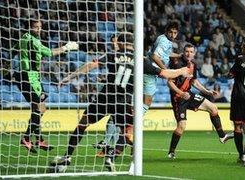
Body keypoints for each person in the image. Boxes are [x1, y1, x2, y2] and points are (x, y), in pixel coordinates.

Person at [50, 33, 191, 172]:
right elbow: (165, 74)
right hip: (123, 102)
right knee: (129, 133)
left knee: (82, 125)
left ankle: (67, 157)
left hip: (105, 98)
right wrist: (181, 71)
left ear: (121, 43)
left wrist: (69, 77)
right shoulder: (141, 60)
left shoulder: (113, 55)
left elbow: (91, 65)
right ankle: (129, 163)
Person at [12, 19, 79, 153]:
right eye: (36, 27)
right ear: (29, 27)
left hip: (30, 76)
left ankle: (39, 139)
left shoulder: (23, 39)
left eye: (40, 27)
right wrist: (66, 47)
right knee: (39, 108)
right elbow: (49, 53)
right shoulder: (34, 41)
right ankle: (26, 138)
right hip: (29, 77)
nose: (39, 29)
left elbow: (14, 49)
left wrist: (17, 66)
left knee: (40, 108)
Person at [167, 43, 233, 159]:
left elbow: (194, 82)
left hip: (189, 95)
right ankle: (171, 152)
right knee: (182, 126)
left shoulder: (193, 65)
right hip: (178, 98)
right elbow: (170, 82)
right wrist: (181, 93)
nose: (189, 54)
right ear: (183, 52)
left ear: (194, 53)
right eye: (187, 51)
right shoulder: (177, 63)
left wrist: (207, 92)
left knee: (213, 108)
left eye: (191, 52)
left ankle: (222, 136)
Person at [143, 21, 181, 116]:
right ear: (166, 31)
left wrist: (179, 55)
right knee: (146, 102)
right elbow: (155, 57)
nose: (172, 35)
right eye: (170, 32)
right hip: (150, 72)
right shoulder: (164, 41)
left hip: (149, 71)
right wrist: (166, 71)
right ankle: (132, 123)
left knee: (140, 100)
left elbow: (166, 54)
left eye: (175, 33)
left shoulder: (164, 39)